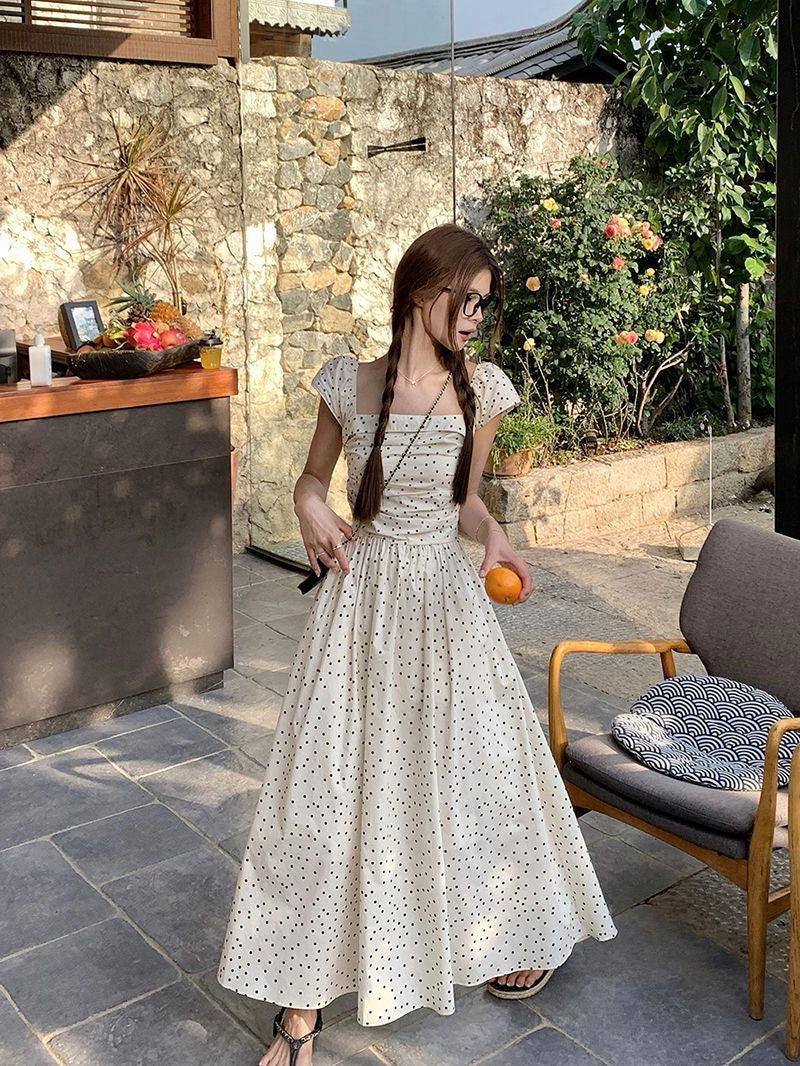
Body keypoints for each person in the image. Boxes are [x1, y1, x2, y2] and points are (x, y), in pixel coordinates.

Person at [217, 224, 616, 1066]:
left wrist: (495, 536)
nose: (474, 317)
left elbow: (464, 501)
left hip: (444, 605)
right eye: (464, 300)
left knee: (481, 774)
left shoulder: (482, 391)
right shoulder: (347, 382)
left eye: (484, 305)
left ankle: (517, 931)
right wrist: (310, 507)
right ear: (419, 291)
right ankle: (300, 1008)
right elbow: (311, 481)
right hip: (358, 609)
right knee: (325, 794)